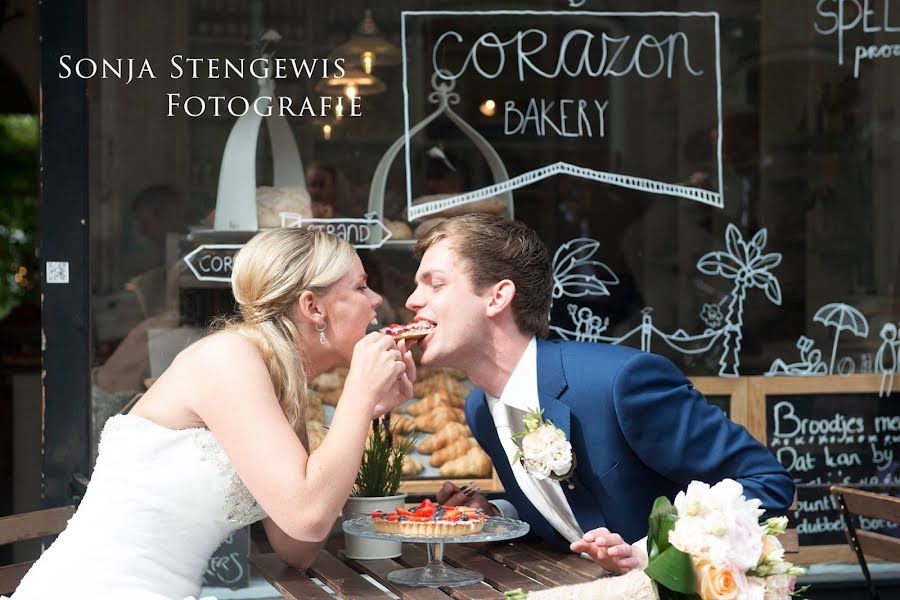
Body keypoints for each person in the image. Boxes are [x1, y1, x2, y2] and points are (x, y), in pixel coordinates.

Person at [9, 229, 416, 599]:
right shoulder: (229, 358)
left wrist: (365, 413)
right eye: (361, 287)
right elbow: (307, 518)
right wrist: (358, 397)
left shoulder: (281, 381)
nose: (377, 299)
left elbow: (298, 546)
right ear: (313, 306)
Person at [405, 213, 795, 573]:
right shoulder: (480, 410)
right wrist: (496, 513)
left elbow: (767, 482)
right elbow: (570, 513)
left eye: (435, 284)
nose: (412, 301)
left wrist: (650, 550)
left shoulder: (621, 383)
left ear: (497, 297)